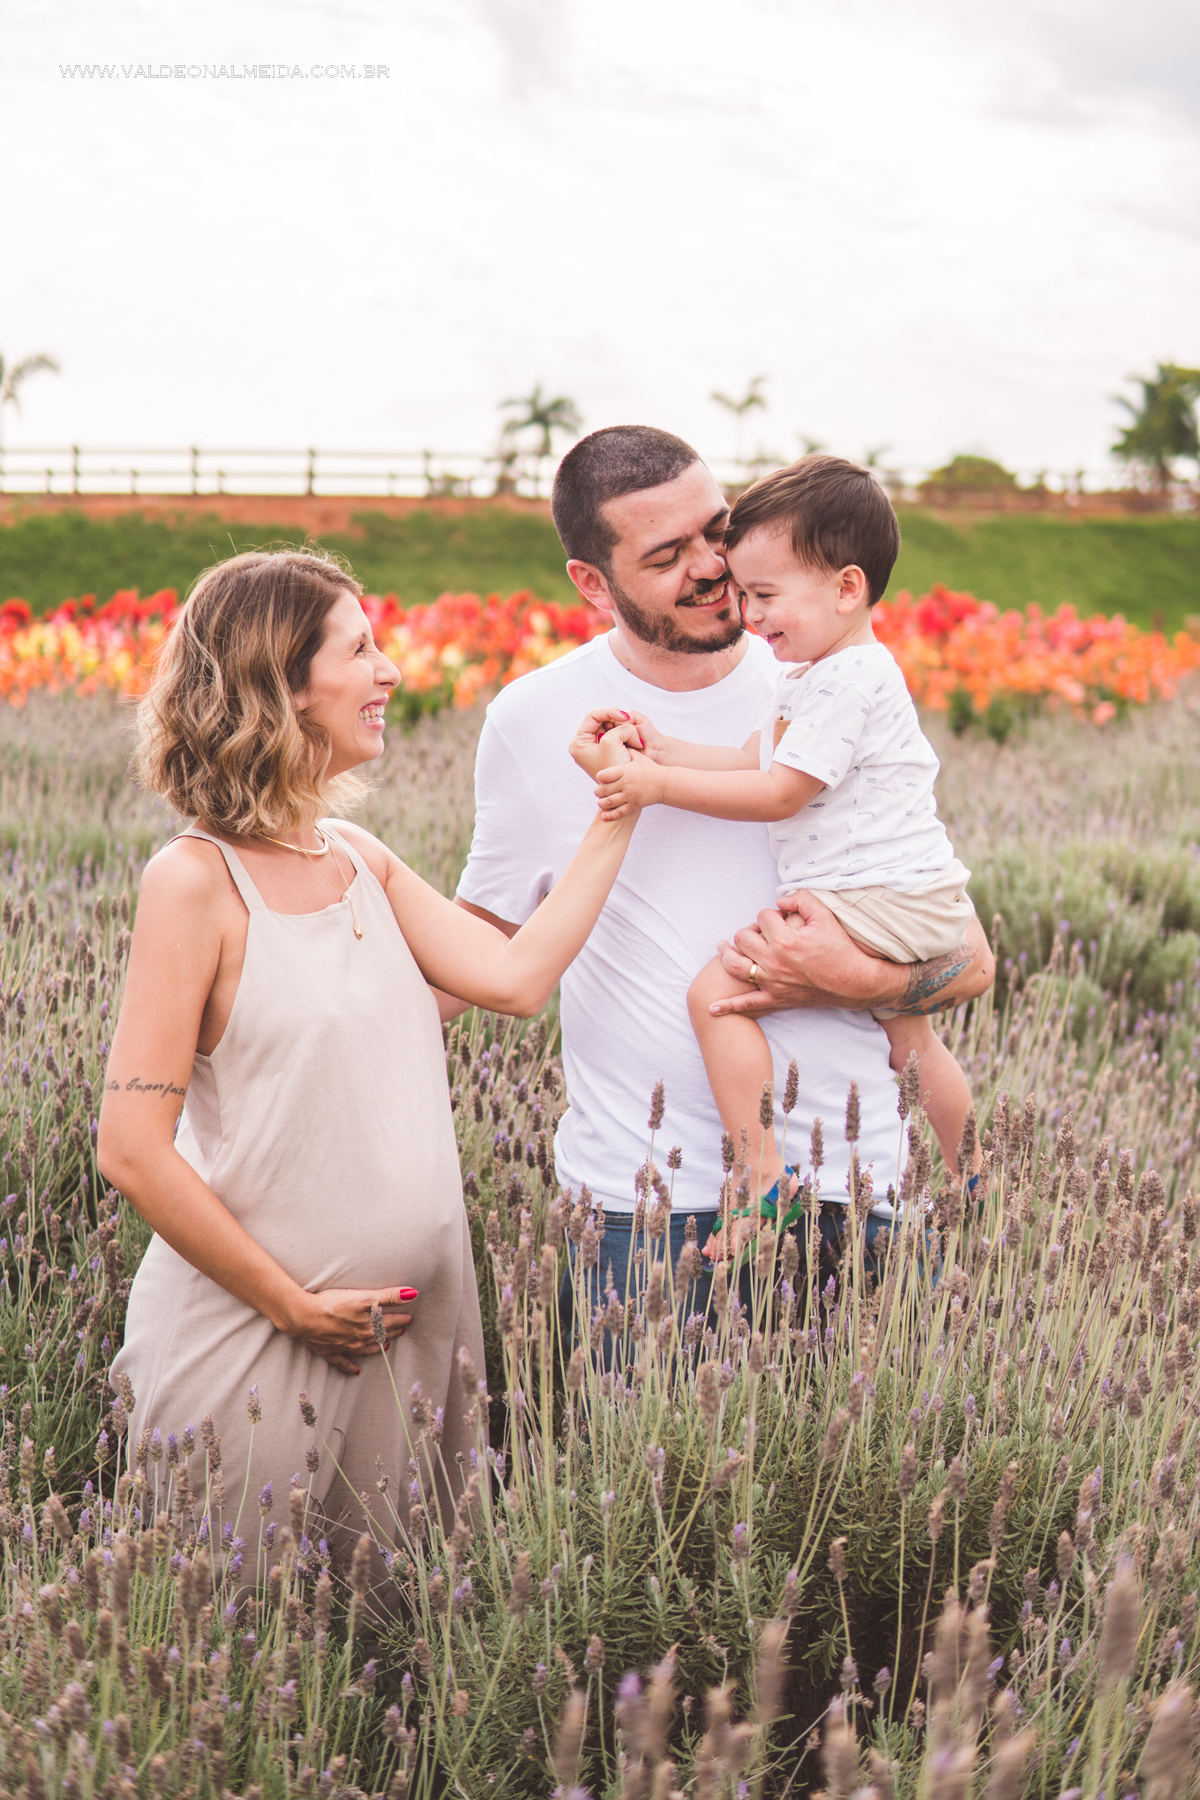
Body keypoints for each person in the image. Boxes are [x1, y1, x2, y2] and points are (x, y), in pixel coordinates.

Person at [99, 549, 638, 1590]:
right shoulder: (193, 882)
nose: (390, 671)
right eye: (361, 650)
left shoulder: (359, 858)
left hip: (412, 1347)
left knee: (390, 1649)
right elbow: (131, 1149)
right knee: (234, 1658)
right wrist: (292, 1304)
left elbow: (518, 977)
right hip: (256, 1340)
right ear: (280, 684)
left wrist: (620, 809)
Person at [453, 427, 994, 1313]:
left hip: (859, 1196)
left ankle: (969, 1172)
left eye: (718, 529)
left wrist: (838, 978)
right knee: (642, 1451)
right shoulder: (532, 719)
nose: (713, 566)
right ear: (593, 583)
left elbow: (967, 961)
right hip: (646, 1210)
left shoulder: (815, 673)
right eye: (669, 554)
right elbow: (486, 938)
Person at [583, 455, 978, 1253]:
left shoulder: (843, 681)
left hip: (878, 896)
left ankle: (764, 1186)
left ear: (846, 588)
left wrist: (655, 784)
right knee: (911, 1040)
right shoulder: (817, 673)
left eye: (765, 596)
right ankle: (974, 1174)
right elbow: (753, 763)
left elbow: (778, 794)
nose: (751, 616)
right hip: (905, 890)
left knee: (713, 996)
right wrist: (670, 748)